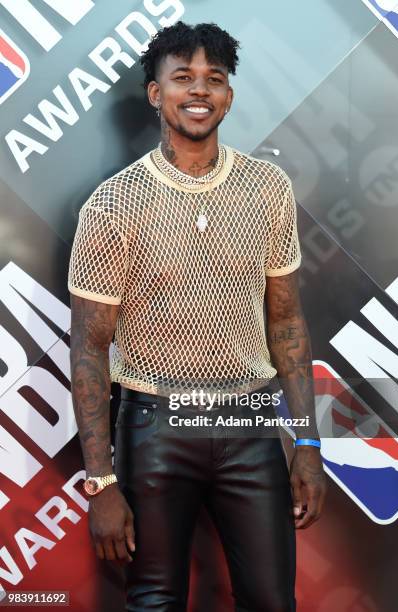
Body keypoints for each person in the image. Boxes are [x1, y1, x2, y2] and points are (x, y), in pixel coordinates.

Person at [68, 21, 327, 612]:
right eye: (182, 77)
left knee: (272, 601)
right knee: (155, 600)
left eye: (214, 79)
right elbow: (88, 347)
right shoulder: (113, 204)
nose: (199, 91)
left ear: (229, 96)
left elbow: (286, 323)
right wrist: (101, 482)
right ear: (156, 94)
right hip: (153, 425)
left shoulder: (266, 188)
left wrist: (308, 442)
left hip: (251, 420)